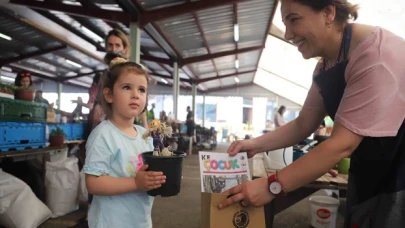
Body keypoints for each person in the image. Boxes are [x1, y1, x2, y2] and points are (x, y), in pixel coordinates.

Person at [218, 1, 405, 227]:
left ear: (328, 12)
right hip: (372, 169)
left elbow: (340, 145)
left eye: (294, 20)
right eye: (285, 24)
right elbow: (304, 123)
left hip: (398, 175)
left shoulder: (375, 57)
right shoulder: (326, 65)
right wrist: (255, 144)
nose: (287, 34)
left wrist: (271, 186)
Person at [83, 57, 166, 228]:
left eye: (142, 90)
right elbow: (93, 183)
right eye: (127, 87)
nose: (135, 94)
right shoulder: (103, 135)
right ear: (109, 95)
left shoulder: (145, 135)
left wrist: (166, 176)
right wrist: (136, 183)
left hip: (140, 221)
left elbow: (153, 169)